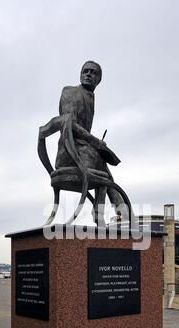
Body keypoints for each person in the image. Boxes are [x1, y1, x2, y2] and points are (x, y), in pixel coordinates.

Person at [40, 61, 129, 224]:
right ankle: (113, 208)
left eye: (93, 72)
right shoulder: (70, 91)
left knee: (101, 161)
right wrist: (95, 141)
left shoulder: (91, 97)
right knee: (102, 164)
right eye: (85, 71)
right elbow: (69, 123)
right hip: (69, 152)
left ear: (98, 80)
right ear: (80, 74)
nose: (88, 74)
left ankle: (111, 208)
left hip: (84, 151)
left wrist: (96, 144)